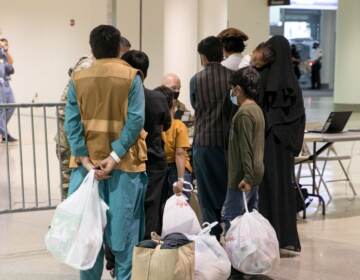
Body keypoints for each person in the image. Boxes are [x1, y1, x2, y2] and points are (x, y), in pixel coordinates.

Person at [64, 25, 147, 280]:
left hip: (86, 172)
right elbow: (135, 121)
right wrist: (113, 157)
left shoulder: (78, 79)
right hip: (123, 170)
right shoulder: (131, 76)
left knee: (89, 242)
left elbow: (72, 123)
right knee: (124, 243)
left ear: (92, 48)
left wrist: (85, 159)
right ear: (118, 47)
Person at [251, 36, 305, 253]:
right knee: (284, 188)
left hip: (266, 143)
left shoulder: (261, 77)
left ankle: (267, 239)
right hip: (284, 147)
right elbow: (299, 117)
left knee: (265, 190)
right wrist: (293, 143)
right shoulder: (293, 84)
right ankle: (286, 238)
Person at [122, 50, 172, 239]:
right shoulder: (158, 98)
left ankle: (119, 255)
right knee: (151, 207)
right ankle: (148, 250)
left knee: (126, 207)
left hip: (127, 159)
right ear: (146, 73)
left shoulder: (121, 100)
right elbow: (167, 124)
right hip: (154, 160)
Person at [190, 36, 234, 238]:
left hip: (204, 143)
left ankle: (213, 239)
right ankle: (233, 237)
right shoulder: (233, 77)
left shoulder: (196, 80)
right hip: (227, 145)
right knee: (228, 193)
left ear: (204, 57)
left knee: (206, 197)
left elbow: (195, 105)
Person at [222, 66, 265, 231]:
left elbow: (246, 148)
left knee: (231, 219)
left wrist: (247, 177)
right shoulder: (257, 110)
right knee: (250, 219)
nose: (231, 93)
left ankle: (233, 256)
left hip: (242, 177)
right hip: (255, 172)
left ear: (238, 89)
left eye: (232, 89)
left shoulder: (243, 114)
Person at [56, 56, 93, 198]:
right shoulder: (86, 67)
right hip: (69, 138)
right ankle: (68, 217)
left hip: (70, 136)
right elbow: (66, 112)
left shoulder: (84, 67)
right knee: (69, 183)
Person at [155, 85, 192, 198]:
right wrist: (181, 180)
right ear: (173, 106)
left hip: (159, 168)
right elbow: (180, 154)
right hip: (178, 170)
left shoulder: (154, 125)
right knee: (179, 205)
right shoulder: (179, 126)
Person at [0, 38, 15, 142]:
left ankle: (3, 131)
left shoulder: (5, 56)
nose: (5, 46)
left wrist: (6, 51)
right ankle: (5, 134)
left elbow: (11, 62)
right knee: (1, 109)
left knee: (12, 106)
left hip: (6, 84)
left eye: (7, 45)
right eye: (3, 44)